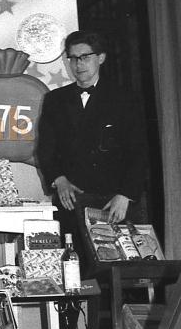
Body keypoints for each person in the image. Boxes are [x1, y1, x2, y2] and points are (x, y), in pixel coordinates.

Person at [36, 30, 147, 255]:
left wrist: (126, 195)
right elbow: (46, 149)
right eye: (73, 58)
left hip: (114, 201)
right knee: (76, 267)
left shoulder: (125, 98)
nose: (78, 64)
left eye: (85, 57)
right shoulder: (55, 100)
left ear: (101, 58)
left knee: (116, 270)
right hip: (72, 201)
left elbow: (139, 152)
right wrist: (58, 179)